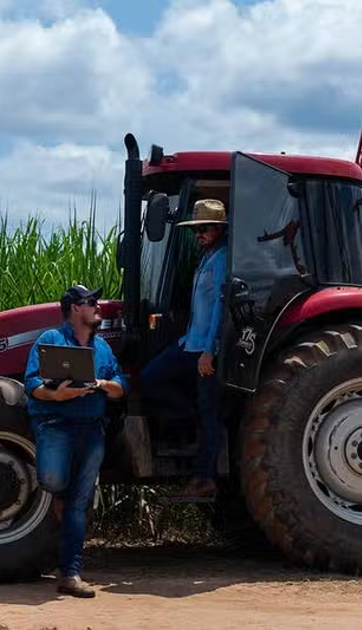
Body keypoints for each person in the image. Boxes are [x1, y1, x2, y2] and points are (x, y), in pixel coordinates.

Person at [24, 284, 128, 598]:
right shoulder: (50, 340)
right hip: (56, 424)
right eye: (91, 302)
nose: (98, 306)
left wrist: (103, 384)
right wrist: (56, 395)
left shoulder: (103, 348)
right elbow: (31, 383)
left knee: (78, 504)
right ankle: (59, 496)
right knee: (53, 481)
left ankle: (69, 574)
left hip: (92, 430)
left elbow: (121, 386)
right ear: (74, 309)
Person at [139, 198, 228, 501]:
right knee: (150, 377)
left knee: (209, 409)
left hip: (204, 350)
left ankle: (204, 479)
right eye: (195, 230)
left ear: (218, 229)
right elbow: (199, 307)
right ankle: (190, 420)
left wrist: (210, 350)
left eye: (204, 229)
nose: (198, 234)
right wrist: (186, 337)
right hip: (191, 343)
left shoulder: (223, 260)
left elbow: (219, 308)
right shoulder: (206, 258)